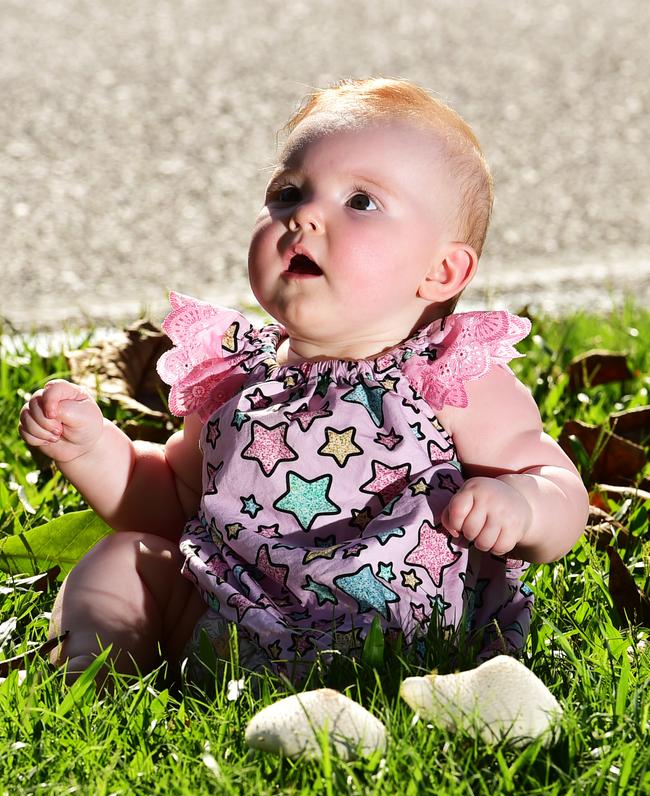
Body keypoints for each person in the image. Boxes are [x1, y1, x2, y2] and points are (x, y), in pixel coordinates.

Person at [19, 78, 589, 688]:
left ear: (441, 270)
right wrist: (91, 450)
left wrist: (524, 505)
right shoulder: (235, 376)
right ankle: (94, 680)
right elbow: (177, 507)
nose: (305, 215)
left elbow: (558, 486)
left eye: (362, 201)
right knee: (123, 559)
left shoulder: (447, 377)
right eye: (288, 193)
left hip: (398, 640)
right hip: (228, 624)